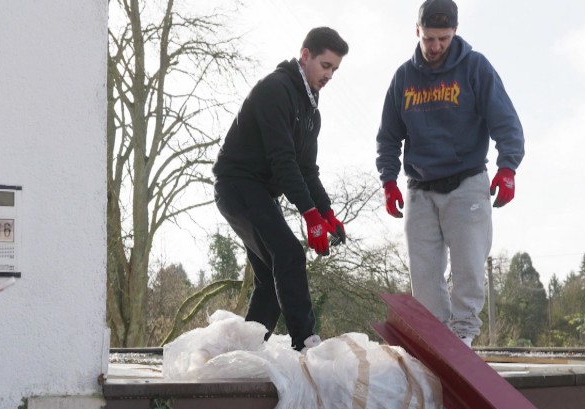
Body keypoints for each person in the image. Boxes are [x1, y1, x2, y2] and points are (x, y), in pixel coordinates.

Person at [375, 0, 524, 347]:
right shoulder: (404, 78)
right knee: (424, 275)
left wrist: (508, 167)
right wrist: (387, 180)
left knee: (469, 266)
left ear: (454, 33)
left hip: (467, 183)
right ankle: (434, 340)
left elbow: (506, 122)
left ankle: (464, 336)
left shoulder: (475, 68)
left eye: (443, 38)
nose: (436, 46)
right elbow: (387, 136)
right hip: (419, 188)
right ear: (418, 32)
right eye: (429, 38)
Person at [213, 27, 349, 351]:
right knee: (288, 253)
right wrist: (310, 216)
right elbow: (283, 162)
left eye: (335, 70)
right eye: (325, 65)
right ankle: (305, 342)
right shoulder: (276, 90)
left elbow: (307, 170)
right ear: (305, 56)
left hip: (262, 191)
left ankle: (246, 350)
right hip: (237, 184)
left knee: (271, 278)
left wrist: (327, 212)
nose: (329, 75)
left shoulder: (311, 110)